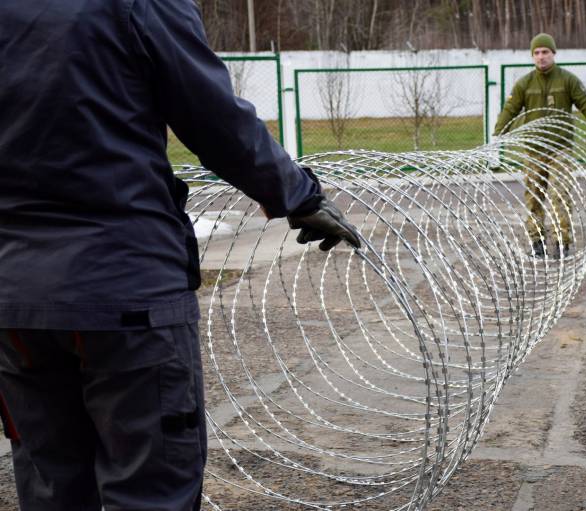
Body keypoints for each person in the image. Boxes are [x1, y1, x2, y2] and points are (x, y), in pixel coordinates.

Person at [0, 1, 360, 510]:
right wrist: (296, 194)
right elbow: (212, 115)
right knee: (150, 488)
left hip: (15, 299)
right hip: (125, 287)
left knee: (50, 482)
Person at [493, 33, 586, 258]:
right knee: (534, 197)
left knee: (560, 195)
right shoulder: (525, 84)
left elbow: (585, 103)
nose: (541, 57)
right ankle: (536, 242)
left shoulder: (567, 80)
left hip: (560, 148)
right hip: (534, 150)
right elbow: (510, 110)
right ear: (532, 56)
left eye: (545, 52)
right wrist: (497, 134)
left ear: (553, 54)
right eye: (537, 53)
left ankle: (561, 242)